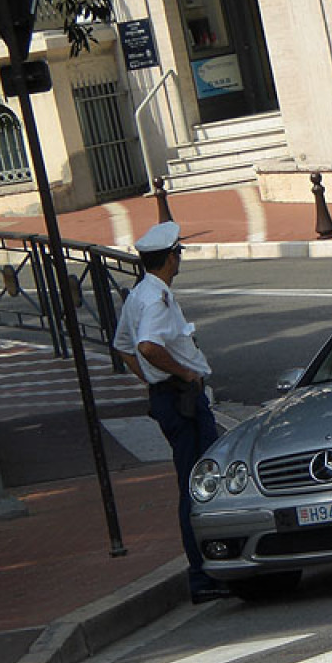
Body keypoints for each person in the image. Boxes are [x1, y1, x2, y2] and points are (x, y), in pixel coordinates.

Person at [113, 221, 224, 603]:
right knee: (200, 483)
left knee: (196, 479)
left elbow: (123, 346)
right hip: (182, 397)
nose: (180, 259)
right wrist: (182, 374)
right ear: (170, 257)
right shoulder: (155, 299)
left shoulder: (141, 294)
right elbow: (145, 347)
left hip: (169, 395)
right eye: (179, 253)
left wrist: (152, 380)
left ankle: (207, 569)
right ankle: (204, 572)